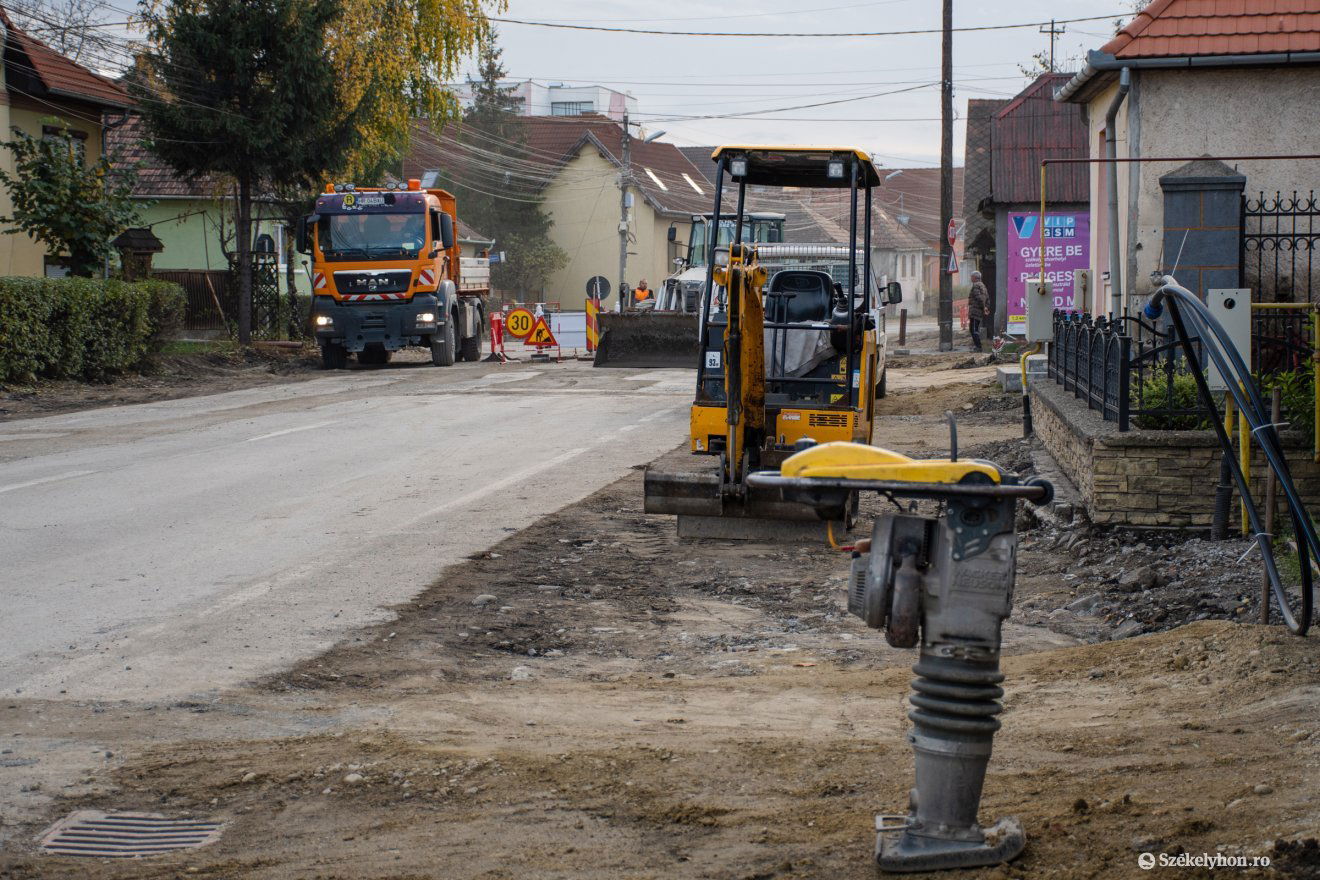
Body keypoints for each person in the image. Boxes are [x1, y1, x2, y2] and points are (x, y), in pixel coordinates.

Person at [968, 270, 990, 352]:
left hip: (975, 311)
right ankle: (977, 346)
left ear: (974, 277)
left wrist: (983, 307)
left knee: (973, 329)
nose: (970, 278)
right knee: (974, 329)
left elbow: (979, 298)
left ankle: (978, 347)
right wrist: (986, 307)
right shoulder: (983, 285)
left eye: (971, 277)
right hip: (979, 311)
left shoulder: (976, 286)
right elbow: (987, 298)